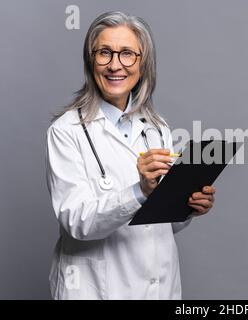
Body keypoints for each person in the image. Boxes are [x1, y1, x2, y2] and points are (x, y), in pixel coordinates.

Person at [45, 11, 216, 300]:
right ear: (90, 60)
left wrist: (188, 206)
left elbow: (159, 223)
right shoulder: (66, 131)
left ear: (142, 63)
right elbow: (76, 221)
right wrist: (140, 191)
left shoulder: (157, 128)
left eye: (127, 54)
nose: (115, 65)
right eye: (104, 53)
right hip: (95, 289)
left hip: (159, 287)